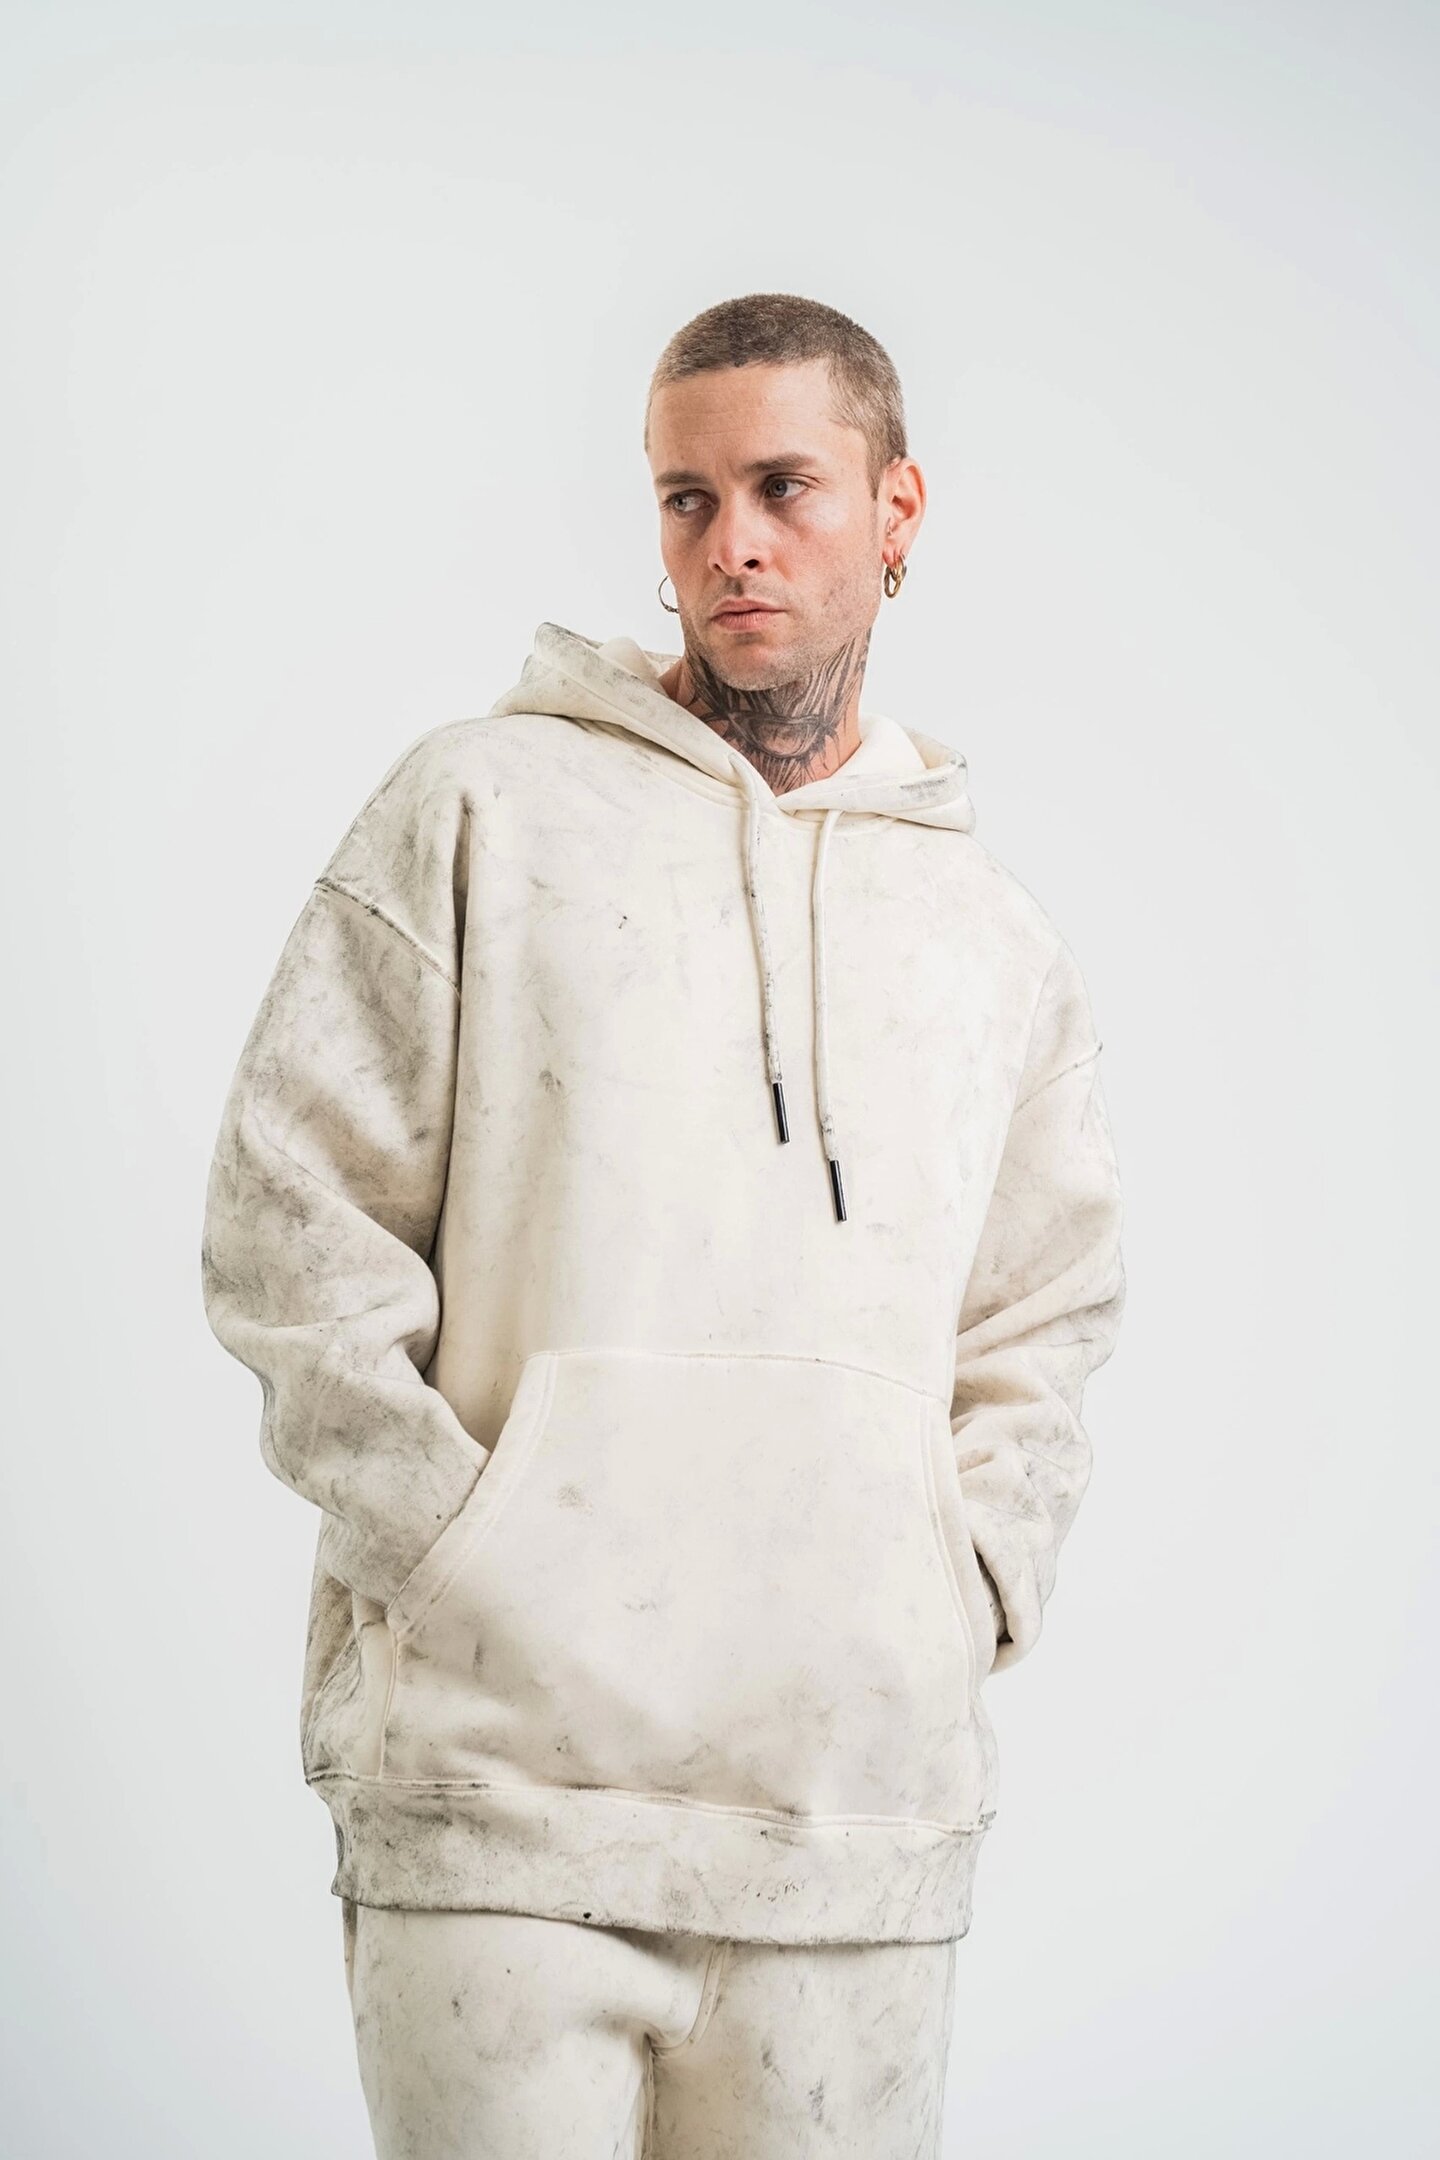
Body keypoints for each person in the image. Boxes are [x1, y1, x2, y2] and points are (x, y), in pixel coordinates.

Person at [200, 291, 1127, 2158]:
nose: (733, 545)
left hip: (852, 1826)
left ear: (898, 507)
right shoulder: (481, 807)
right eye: (686, 500)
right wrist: (464, 1554)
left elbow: (1044, 1321)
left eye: (785, 488)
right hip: (499, 1801)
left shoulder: (993, 942)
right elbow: (291, 1226)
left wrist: (953, 1593)